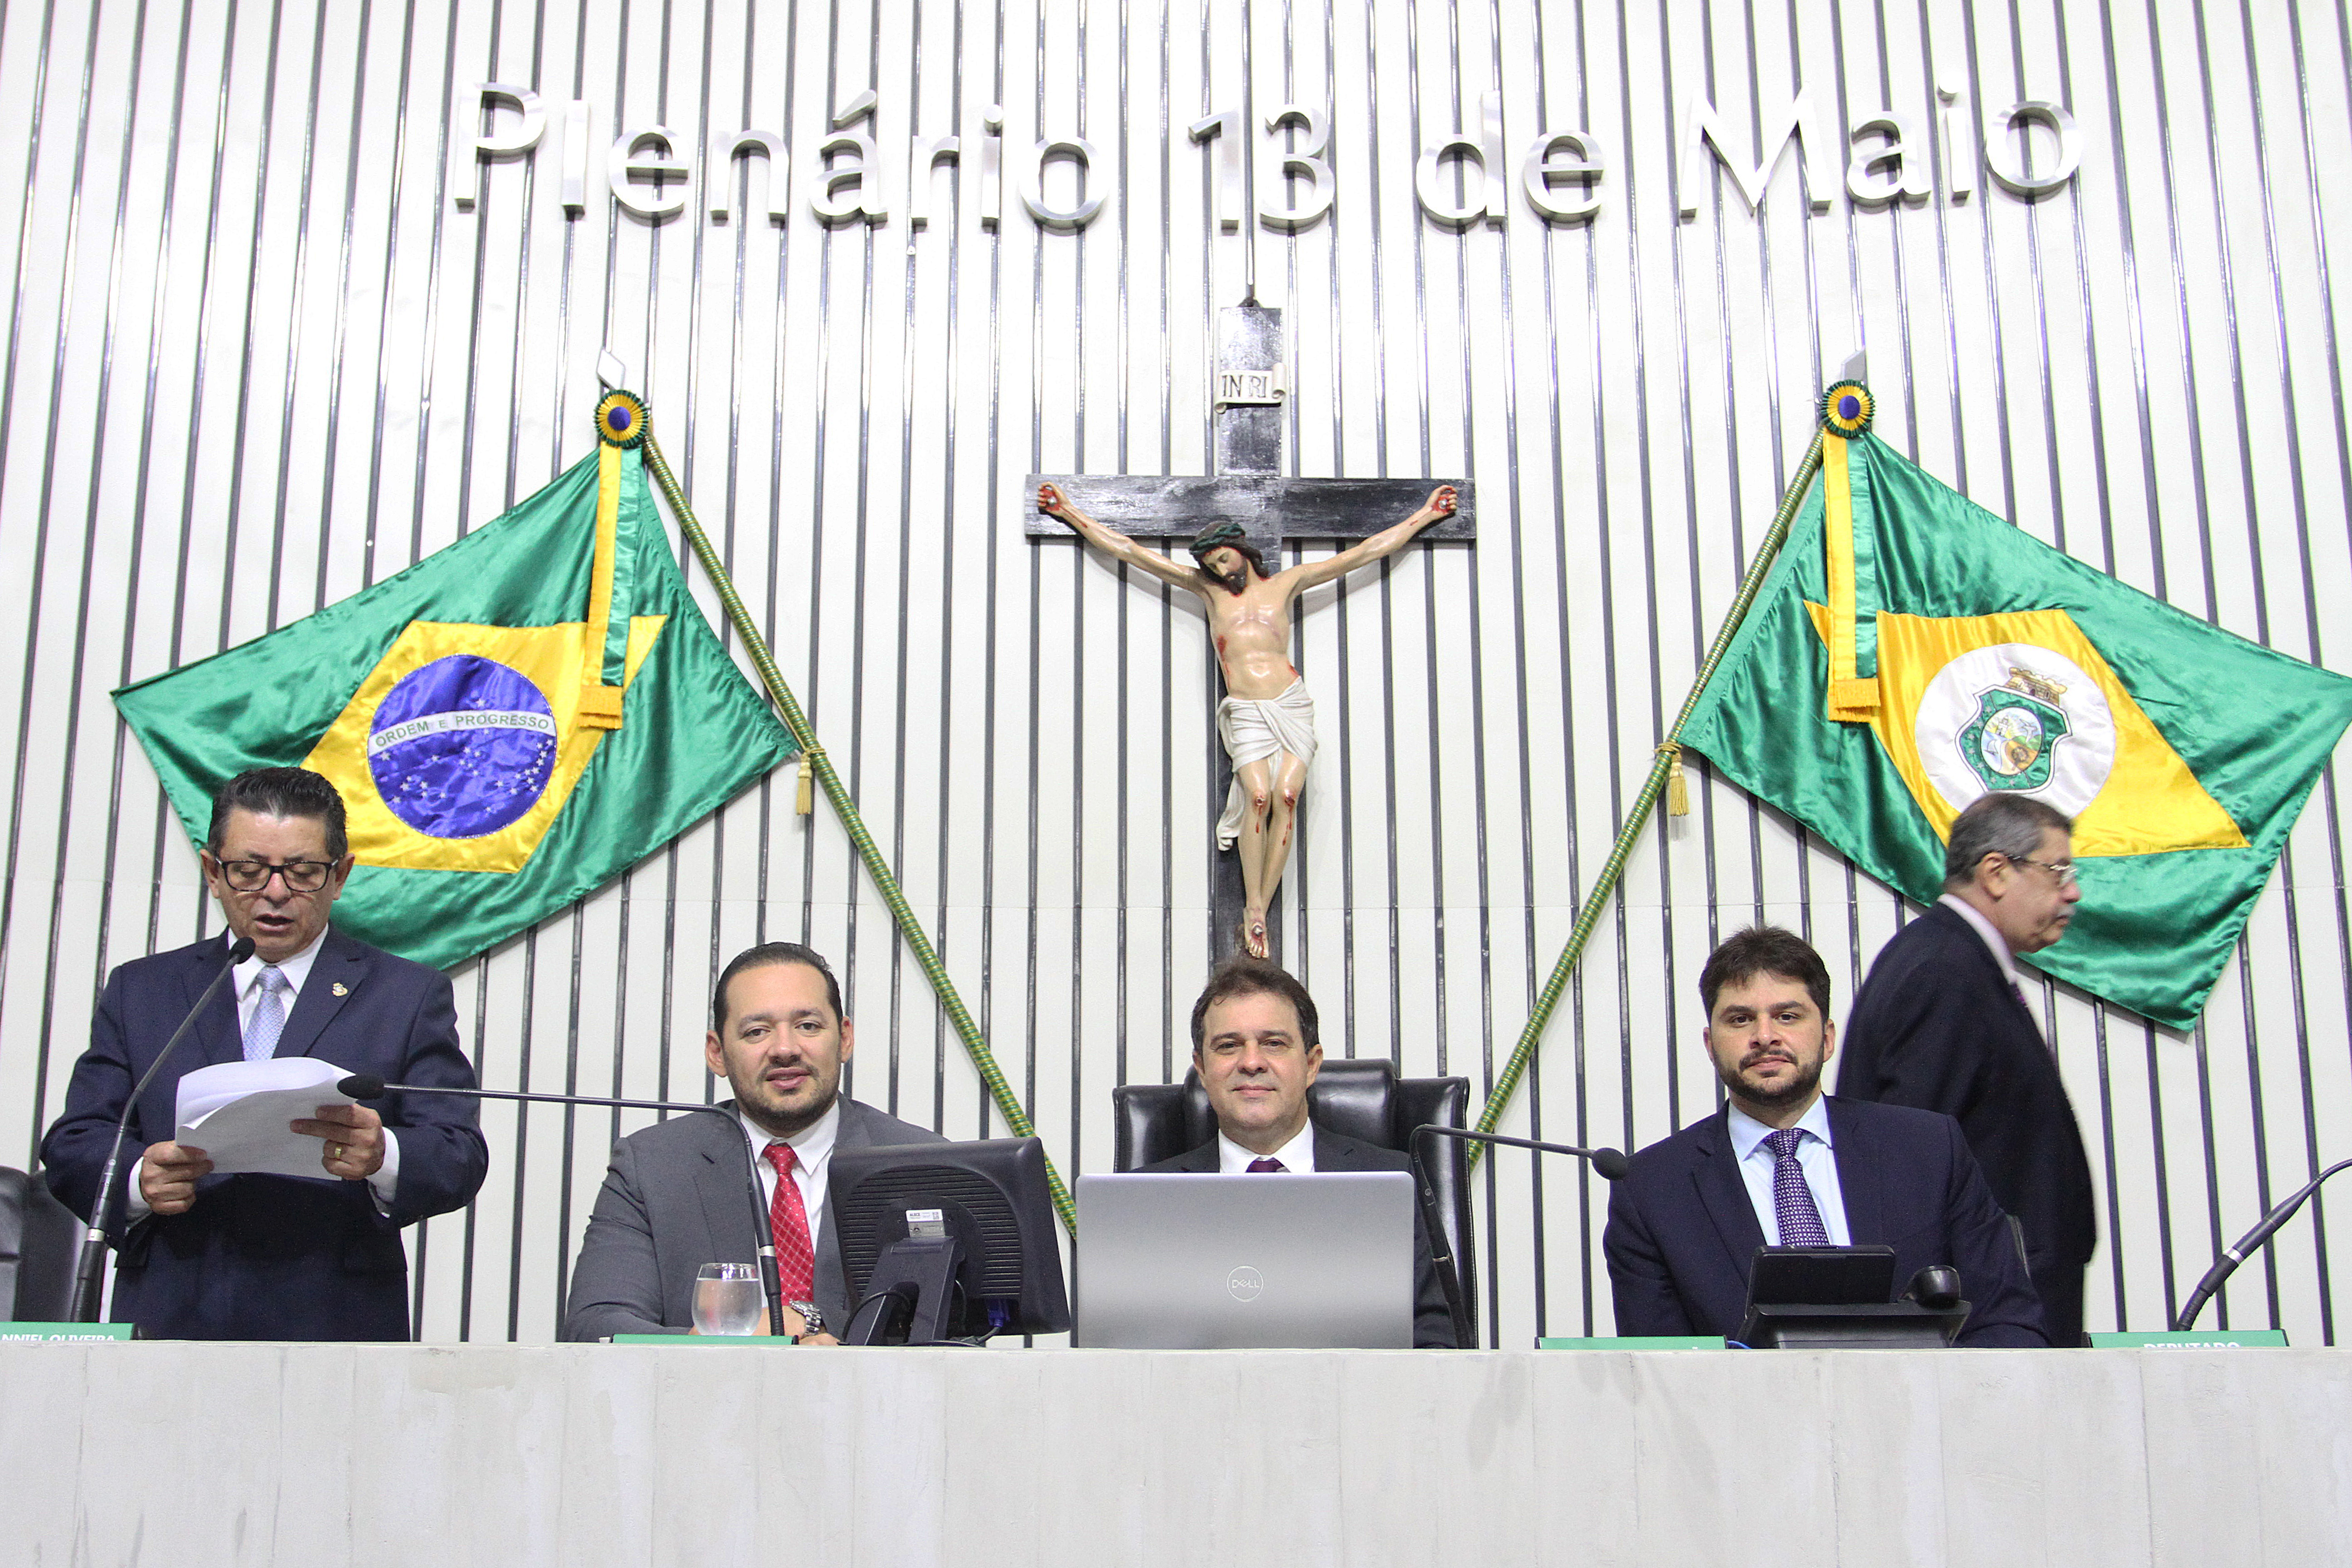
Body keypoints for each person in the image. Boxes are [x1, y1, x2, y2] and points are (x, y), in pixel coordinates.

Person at [41, 767, 488, 1340]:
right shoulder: (143, 990)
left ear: (339, 876)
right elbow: (76, 1141)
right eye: (250, 871)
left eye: (302, 872)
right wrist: (136, 1177)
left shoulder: (405, 995)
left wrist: (384, 1155)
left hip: (336, 1321)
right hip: (170, 1313)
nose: (276, 893)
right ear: (213, 872)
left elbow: (458, 1152)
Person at [1039, 481, 1456, 959]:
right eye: (1212, 565)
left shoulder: (1287, 583)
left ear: (1241, 550)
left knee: (1287, 796)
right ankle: (1252, 905)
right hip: (1246, 709)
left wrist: (1425, 515)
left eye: (1224, 559)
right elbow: (1131, 552)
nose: (1221, 570)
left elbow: (1364, 553)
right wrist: (1069, 512)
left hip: (1289, 703)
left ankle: (1261, 903)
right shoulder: (1208, 591)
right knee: (1258, 797)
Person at [1604, 926, 2047, 1347]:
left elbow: (2009, 1322)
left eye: (1788, 1016)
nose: (1765, 1037)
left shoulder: (1930, 1149)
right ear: (1710, 1044)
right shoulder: (1652, 1191)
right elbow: (1659, 1369)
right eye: (1740, 1020)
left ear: (1828, 1038)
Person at [562, 941, 945, 1342]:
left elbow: (957, 1334)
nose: (785, 1049)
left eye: (808, 1026)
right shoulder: (652, 1166)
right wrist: (725, 1340)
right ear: (717, 1053)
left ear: (845, 1038)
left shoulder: (920, 1163)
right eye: (757, 1032)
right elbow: (596, 1326)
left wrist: (811, 1324)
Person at [1836, 792, 2098, 1346]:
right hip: (1984, 1317)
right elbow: (1908, 1160)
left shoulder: (1955, 960)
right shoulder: (1945, 972)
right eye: (2058, 871)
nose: (2072, 891)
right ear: (1996, 872)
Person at [1138, 957, 1456, 1347]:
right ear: (1202, 1069)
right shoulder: (1146, 1200)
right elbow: (1118, 1350)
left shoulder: (1389, 1183)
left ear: (1311, 1065)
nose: (1251, 1063)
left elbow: (1435, 1340)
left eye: (1274, 1044)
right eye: (1228, 1046)